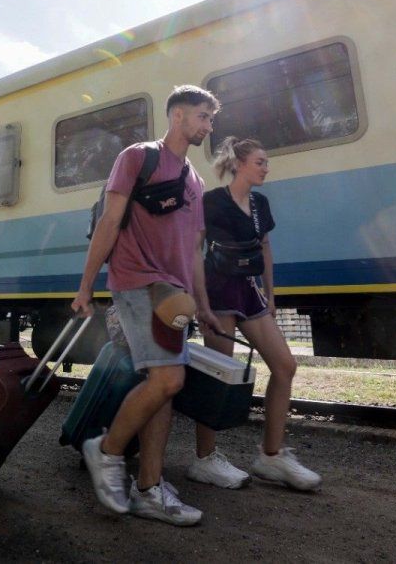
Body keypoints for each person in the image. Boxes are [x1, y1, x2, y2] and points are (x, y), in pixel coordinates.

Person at [71, 85, 220, 527]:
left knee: (164, 385)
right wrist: (86, 287)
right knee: (169, 378)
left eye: (210, 119)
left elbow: (195, 250)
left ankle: (150, 488)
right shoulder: (138, 157)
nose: (207, 127)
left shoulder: (195, 179)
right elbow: (109, 222)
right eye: (201, 117)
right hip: (138, 282)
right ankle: (108, 449)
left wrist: (204, 304)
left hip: (174, 294)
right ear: (177, 116)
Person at [194, 136, 322, 491]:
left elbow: (264, 247)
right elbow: (195, 249)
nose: (266, 168)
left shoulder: (259, 203)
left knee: (284, 365)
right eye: (260, 162)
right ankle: (204, 459)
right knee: (217, 376)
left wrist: (270, 292)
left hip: (248, 291)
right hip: (218, 290)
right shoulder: (212, 202)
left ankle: (271, 456)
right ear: (239, 164)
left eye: (266, 162)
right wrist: (200, 301)